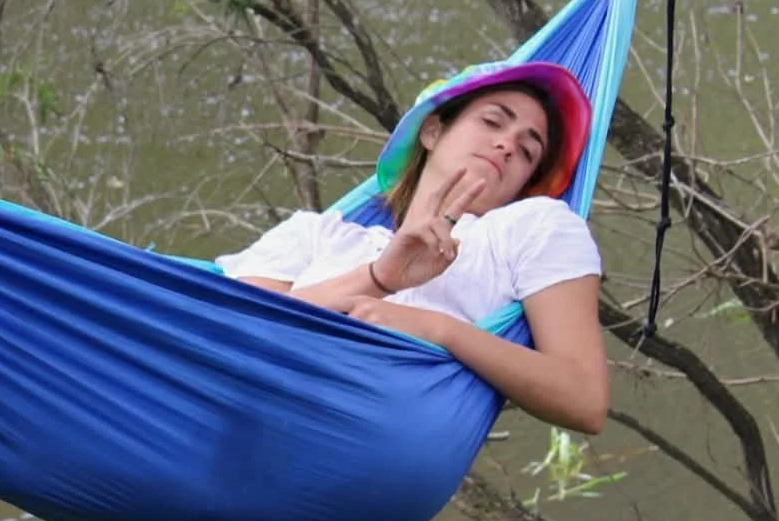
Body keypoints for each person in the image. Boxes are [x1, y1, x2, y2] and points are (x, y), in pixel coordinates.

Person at [216, 61, 608, 434]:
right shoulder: (316, 234)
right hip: (248, 414)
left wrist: (438, 330)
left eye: (527, 152)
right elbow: (225, 333)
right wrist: (378, 278)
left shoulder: (530, 226)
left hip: (371, 443)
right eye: (492, 121)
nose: (507, 145)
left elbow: (584, 399)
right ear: (432, 131)